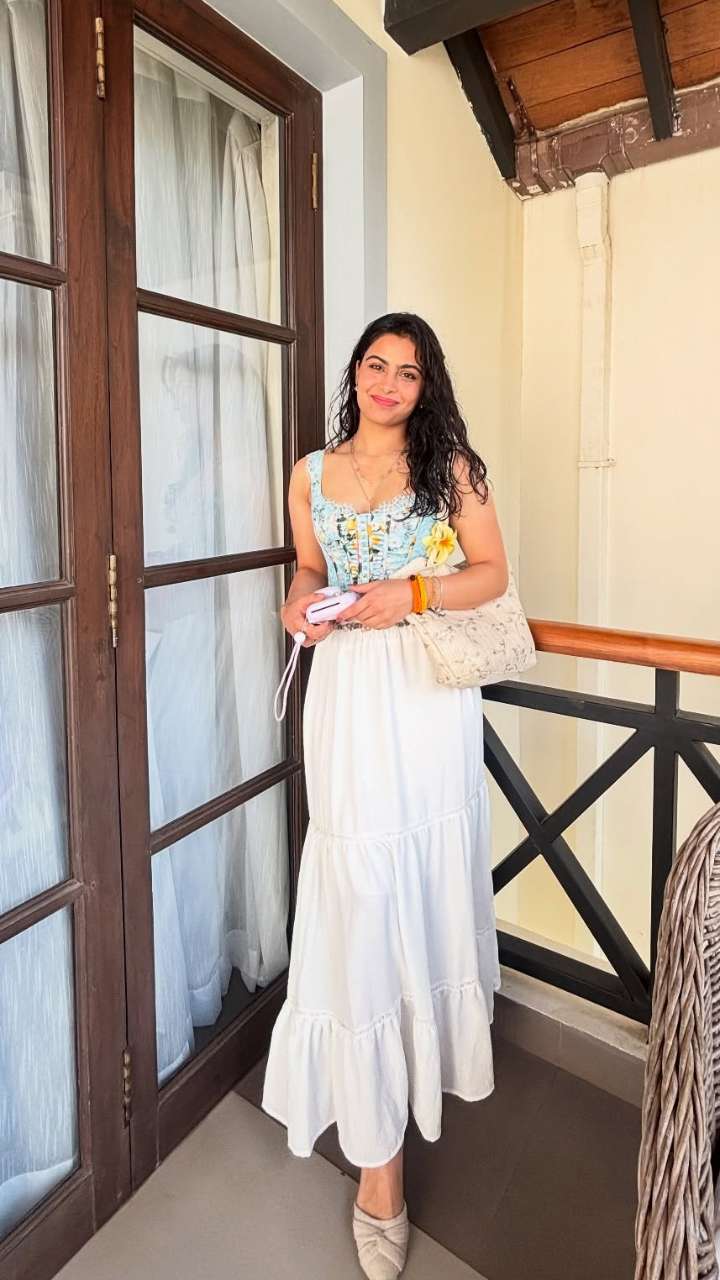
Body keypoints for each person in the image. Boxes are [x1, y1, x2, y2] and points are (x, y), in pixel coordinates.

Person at [262, 312, 508, 1279]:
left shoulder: (455, 469)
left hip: (425, 695)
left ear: (425, 385)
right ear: (356, 373)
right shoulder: (309, 475)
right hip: (346, 698)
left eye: (409, 372)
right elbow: (311, 567)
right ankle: (379, 1162)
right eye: (377, 364)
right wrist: (298, 602)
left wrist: (411, 594)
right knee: (359, 891)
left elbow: (492, 575)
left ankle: (416, 1087)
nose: (390, 383)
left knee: (418, 880)